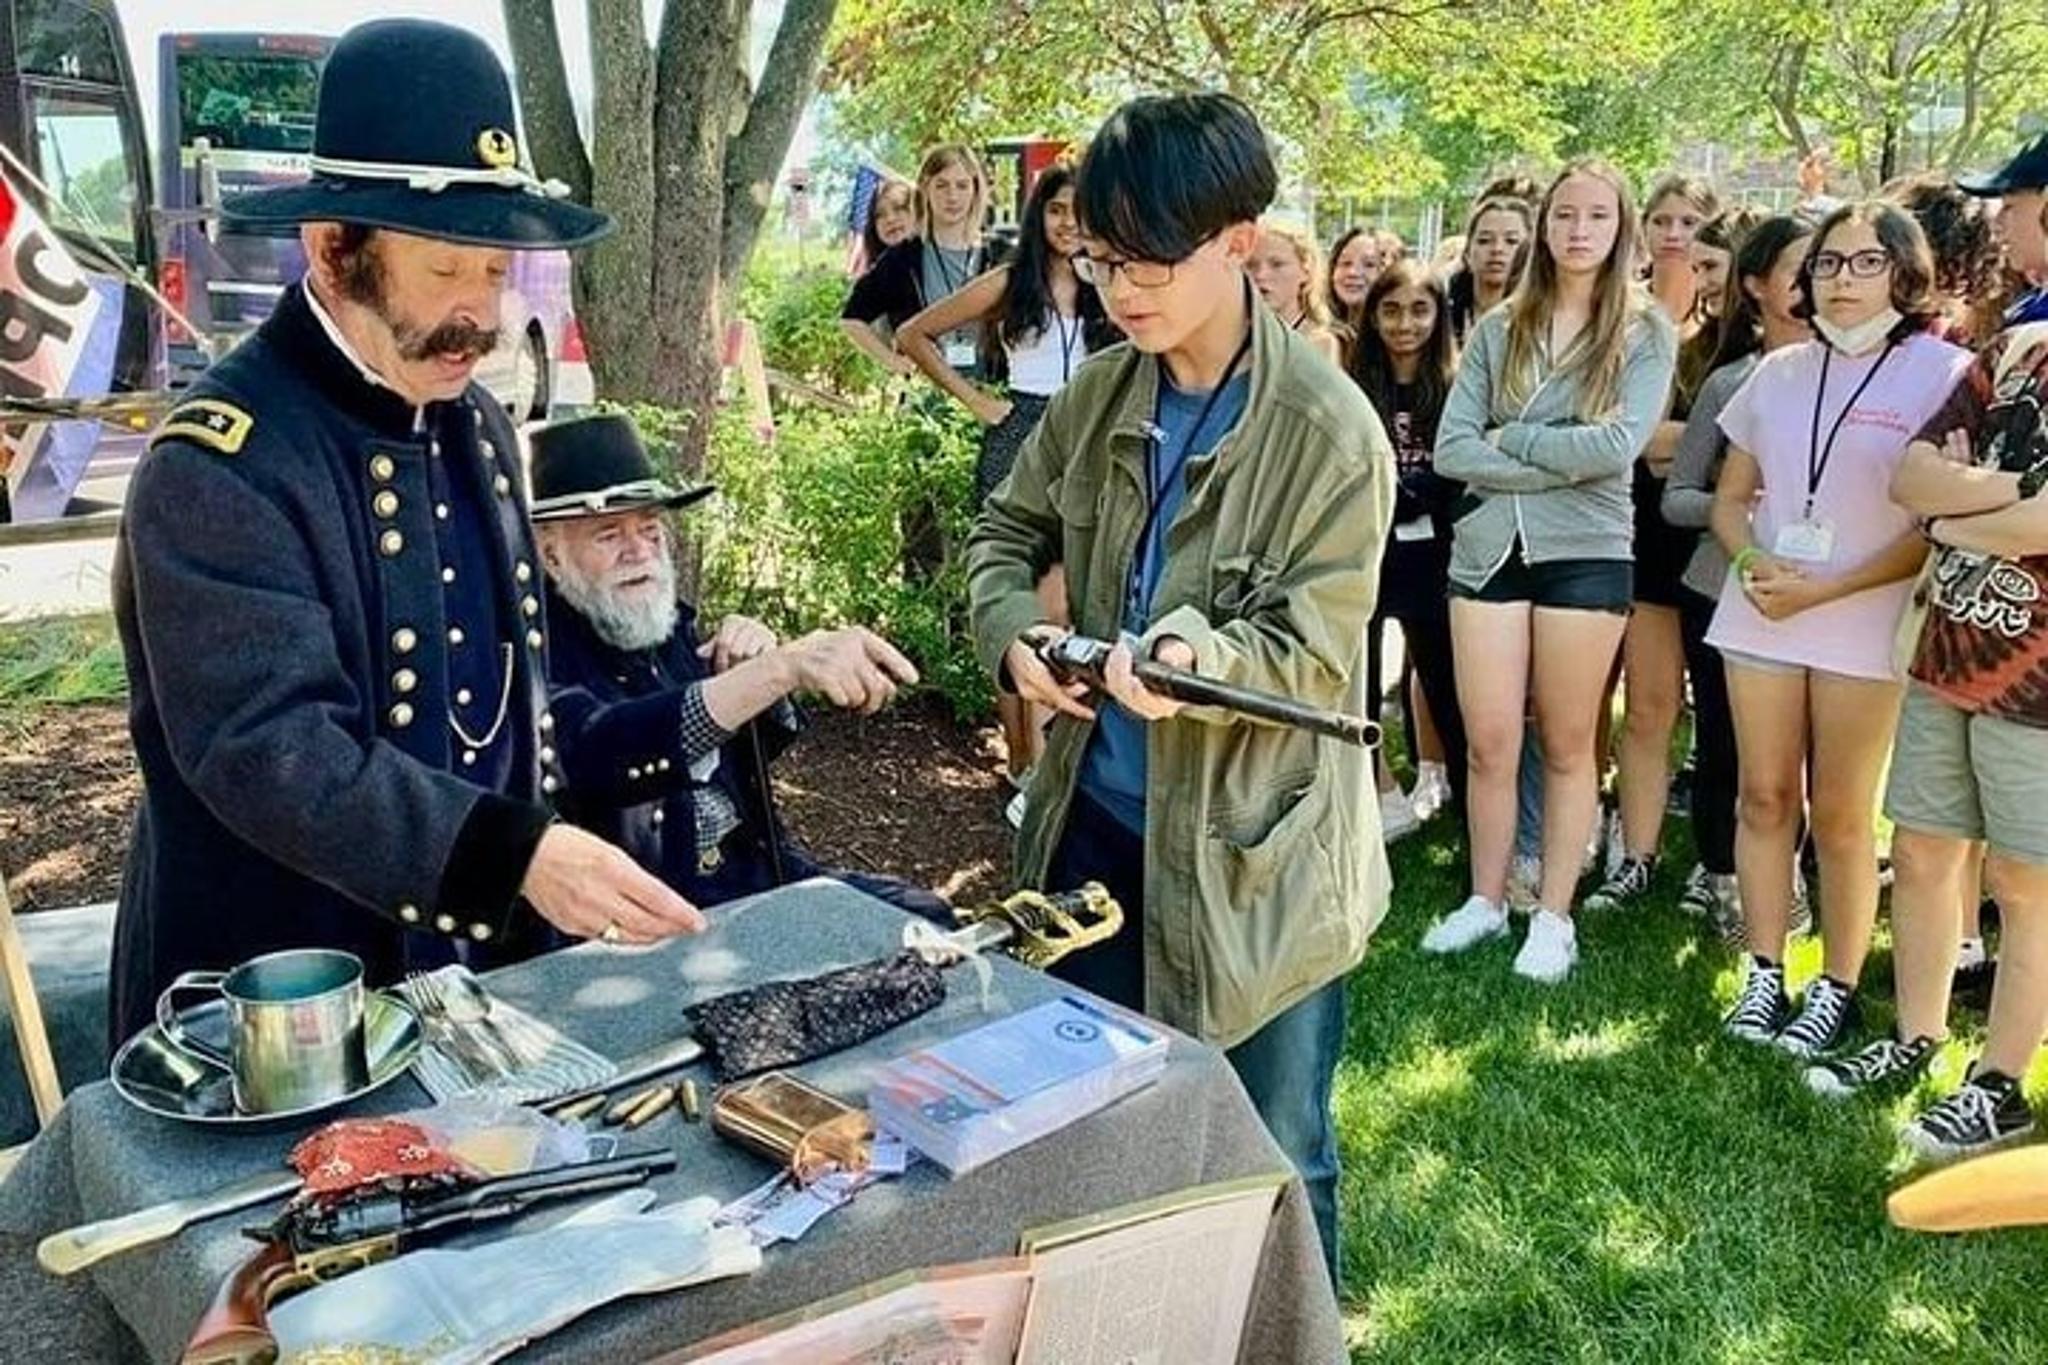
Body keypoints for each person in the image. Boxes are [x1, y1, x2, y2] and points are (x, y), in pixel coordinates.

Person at [105, 21, 704, 1043]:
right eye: (446, 271)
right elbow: (270, 747)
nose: (481, 314)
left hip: (459, 977)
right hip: (275, 1002)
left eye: (496, 272)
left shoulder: (476, 423)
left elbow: (508, 703)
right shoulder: (220, 461)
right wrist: (510, 858)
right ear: (333, 251)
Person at [966, 93, 1392, 1282]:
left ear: (1237, 243)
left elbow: (1310, 648)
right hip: (1094, 838)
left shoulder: (1329, 433)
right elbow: (1002, 531)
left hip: (1259, 866)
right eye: (1098, 260)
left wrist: (1202, 661)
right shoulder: (1099, 392)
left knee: (1277, 1157)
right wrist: (1012, 634)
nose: (1119, 290)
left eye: (1146, 260)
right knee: (1094, 1143)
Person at [1803, 134, 2048, 1160]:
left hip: (2036, 676)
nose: (2000, 222)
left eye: (2015, 203)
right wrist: (1987, 504)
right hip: (1951, 644)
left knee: (2025, 880)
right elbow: (1911, 477)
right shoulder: (2013, 339)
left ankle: (2000, 1083)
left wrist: (1961, 509)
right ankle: (1915, 1037)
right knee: (1923, 847)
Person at [1711, 202, 1972, 1055]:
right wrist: (1754, 564)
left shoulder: (1946, 373)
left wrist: (1832, 587)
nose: (1841, 280)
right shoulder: (1778, 372)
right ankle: (1763, 969)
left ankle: (1837, 983)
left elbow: (1937, 524)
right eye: (1827, 263)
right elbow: (1728, 502)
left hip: (1863, 617)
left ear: (1906, 272)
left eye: (1865, 262)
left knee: (1842, 813)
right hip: (1766, 609)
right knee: (1763, 795)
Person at [526, 414, 947, 920]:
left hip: (762, 876)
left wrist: (754, 670)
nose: (638, 552)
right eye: (609, 535)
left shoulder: (664, 624)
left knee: (926, 920)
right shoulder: (536, 655)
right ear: (551, 555)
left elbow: (742, 759)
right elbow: (606, 746)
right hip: (664, 913)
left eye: (651, 530)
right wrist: (779, 670)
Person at [1419, 159, 1677, 984]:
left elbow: (1617, 447)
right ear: (1544, 225)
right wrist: (1556, 453)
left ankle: (1555, 914)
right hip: (1488, 548)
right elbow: (1453, 448)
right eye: (1564, 214)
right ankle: (1486, 898)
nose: (1578, 230)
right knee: (1490, 740)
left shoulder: (1644, 330)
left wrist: (1516, 440)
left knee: (1567, 741)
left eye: (1597, 215)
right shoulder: (1500, 326)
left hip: (1586, 551)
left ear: (1621, 228)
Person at [895, 164, 1113, 810]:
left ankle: (1040, 757)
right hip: (1021, 435)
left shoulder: (1106, 282)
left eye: (1080, 212)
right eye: (1057, 210)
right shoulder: (1010, 281)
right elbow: (913, 334)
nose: (1068, 223)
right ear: (1039, 215)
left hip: (1088, 442)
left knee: (1063, 603)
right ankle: (1024, 756)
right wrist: (977, 402)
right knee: (1017, 601)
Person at [1660, 215, 1814, 937]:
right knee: (1726, 746)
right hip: (1723, 588)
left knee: (1807, 755)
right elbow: (1678, 496)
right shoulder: (1729, 382)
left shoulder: (1860, 381)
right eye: (1799, 267)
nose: (1815, 282)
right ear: (1754, 285)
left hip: (1825, 598)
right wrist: (1740, 504)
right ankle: (1723, 873)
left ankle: (1793, 873)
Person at [1581, 175, 1720, 912]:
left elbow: (1716, 446)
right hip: (1642, 534)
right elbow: (1622, 436)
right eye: (1660, 220)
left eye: (1689, 222)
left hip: (1718, 538)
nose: (1673, 234)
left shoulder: (1731, 333)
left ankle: (1721, 861)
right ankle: (1635, 853)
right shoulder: (1625, 325)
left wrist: (1672, 445)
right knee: (1648, 705)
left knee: (1726, 718)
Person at [1350, 259, 1467, 820]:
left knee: (1446, 684)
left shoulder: (1455, 386)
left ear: (1439, 316)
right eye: (1391, 310)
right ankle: (1373, 803)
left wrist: (1417, 492)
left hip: (1433, 557)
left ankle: (1473, 810)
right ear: (1373, 317)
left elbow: (1459, 469)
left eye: (1420, 310)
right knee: (1361, 686)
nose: (1405, 324)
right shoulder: (1354, 386)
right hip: (1367, 552)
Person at [839, 144, 993, 377]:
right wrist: (895, 363)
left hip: (991, 390)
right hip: (926, 393)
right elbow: (852, 320)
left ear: (975, 190)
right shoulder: (903, 257)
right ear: (925, 189)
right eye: (941, 185)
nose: (952, 196)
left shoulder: (999, 255)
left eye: (962, 186)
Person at [1248, 222, 1344, 365]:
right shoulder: (1233, 339)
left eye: (1277, 264)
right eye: (1251, 265)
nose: (1260, 275)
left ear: (1306, 271)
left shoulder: (1319, 342)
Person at [1446, 197, 1533, 344]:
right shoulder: (1442, 314)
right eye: (1484, 240)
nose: (1497, 249)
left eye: (1511, 241)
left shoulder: (1545, 319)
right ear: (1467, 254)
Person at [1326, 226, 1384, 333]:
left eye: (1369, 264)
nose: (1353, 273)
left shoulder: (1394, 336)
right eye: (1346, 263)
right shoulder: (1317, 332)